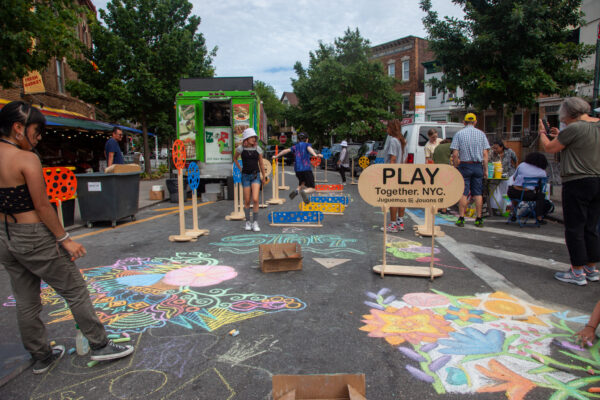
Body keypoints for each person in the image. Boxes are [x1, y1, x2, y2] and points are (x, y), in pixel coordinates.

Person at [0, 101, 134, 374]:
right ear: (17, 128)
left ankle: (41, 356)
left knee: (26, 300)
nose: (38, 139)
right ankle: (100, 345)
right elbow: (42, 205)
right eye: (36, 132)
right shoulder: (25, 158)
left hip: (5, 236)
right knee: (74, 289)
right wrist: (65, 239)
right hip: (33, 235)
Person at [540, 97, 600, 286]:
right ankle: (591, 268)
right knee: (591, 226)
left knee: (575, 227)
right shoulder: (596, 125)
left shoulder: (575, 128)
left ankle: (577, 272)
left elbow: (550, 147)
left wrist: (543, 133)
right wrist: (560, 134)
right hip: (597, 180)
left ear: (569, 113)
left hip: (577, 180)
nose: (562, 119)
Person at [450, 113, 490, 228]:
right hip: (478, 165)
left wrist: (455, 165)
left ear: (464, 122)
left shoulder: (459, 134)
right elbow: (485, 154)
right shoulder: (481, 134)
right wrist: (486, 169)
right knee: (478, 193)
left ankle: (461, 218)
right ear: (475, 122)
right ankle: (479, 218)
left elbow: (455, 153)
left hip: (465, 165)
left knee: (463, 192)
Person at [233, 128, 266, 232]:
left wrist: (264, 176)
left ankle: (255, 222)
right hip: (245, 176)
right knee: (247, 200)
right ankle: (248, 222)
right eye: (251, 137)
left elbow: (261, 163)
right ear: (246, 139)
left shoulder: (258, 149)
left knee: (255, 199)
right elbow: (234, 158)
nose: (253, 139)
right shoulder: (240, 149)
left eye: (254, 137)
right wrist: (240, 168)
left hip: (255, 176)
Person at [274, 132, 322, 204]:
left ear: (298, 140)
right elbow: (309, 149)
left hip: (297, 170)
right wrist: (315, 155)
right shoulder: (307, 145)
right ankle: (304, 192)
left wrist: (276, 156)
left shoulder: (295, 146)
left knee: (302, 183)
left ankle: (297, 191)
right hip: (306, 168)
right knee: (312, 188)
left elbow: (285, 151)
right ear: (307, 139)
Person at [507, 152, 548, 225]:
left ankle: (514, 212)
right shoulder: (542, 172)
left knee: (516, 196)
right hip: (527, 194)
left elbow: (514, 178)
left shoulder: (522, 165)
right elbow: (542, 185)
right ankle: (539, 218)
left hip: (512, 191)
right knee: (541, 196)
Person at [381, 119, 407, 232]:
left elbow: (393, 158)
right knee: (401, 198)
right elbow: (404, 158)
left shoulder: (393, 141)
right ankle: (400, 222)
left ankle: (392, 225)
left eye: (388, 128)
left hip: (393, 172)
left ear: (391, 128)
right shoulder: (402, 140)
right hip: (402, 171)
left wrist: (389, 175)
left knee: (393, 199)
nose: (387, 130)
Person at [433, 138, 453, 214]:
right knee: (446, 189)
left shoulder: (437, 147)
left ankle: (438, 207)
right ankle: (444, 209)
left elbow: (433, 158)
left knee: (439, 189)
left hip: (437, 169)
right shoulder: (450, 145)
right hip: (446, 169)